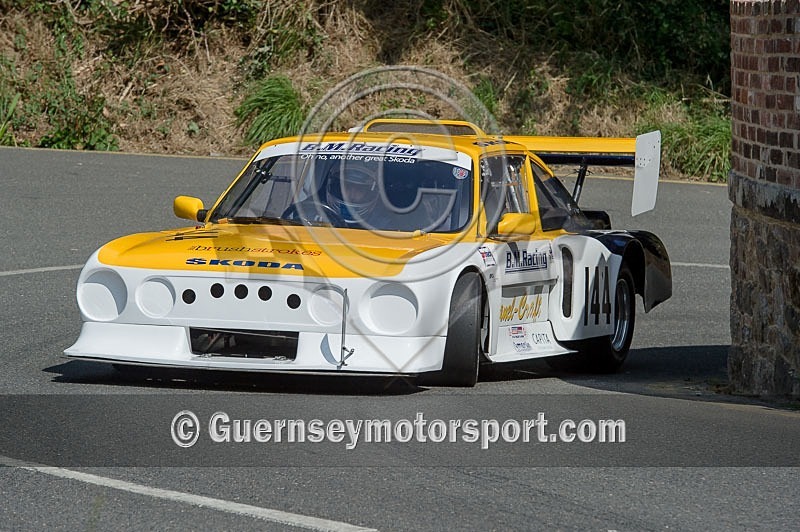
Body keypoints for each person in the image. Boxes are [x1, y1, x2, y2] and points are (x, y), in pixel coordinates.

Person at [325, 162, 381, 227]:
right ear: (336, 187)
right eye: (347, 186)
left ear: (369, 193)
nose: (352, 194)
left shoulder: (383, 225)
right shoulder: (318, 212)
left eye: (359, 189)